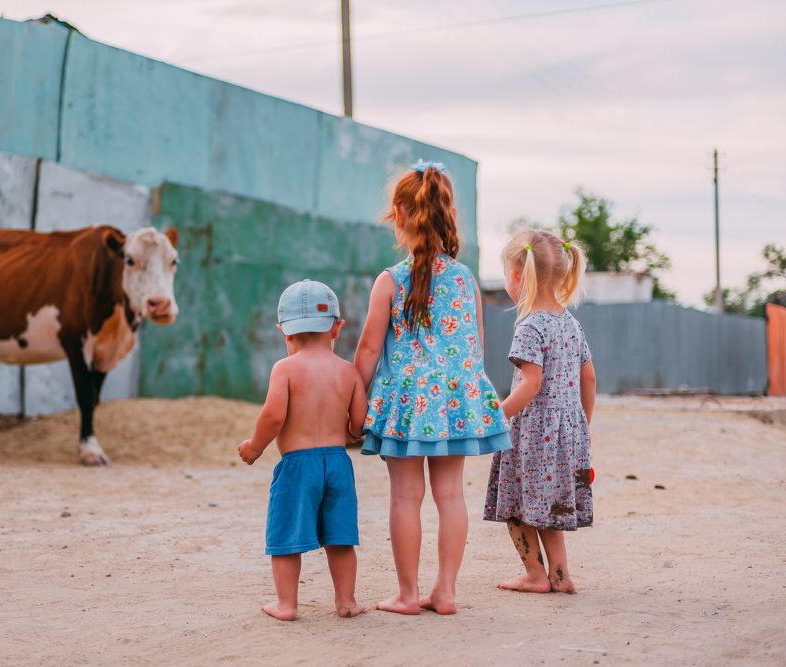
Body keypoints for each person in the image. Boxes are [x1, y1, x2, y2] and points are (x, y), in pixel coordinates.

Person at [354, 160, 511, 615]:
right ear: (448, 215)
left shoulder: (390, 280)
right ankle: (445, 592)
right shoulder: (465, 280)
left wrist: (353, 402)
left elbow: (368, 349)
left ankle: (407, 594)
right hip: (454, 401)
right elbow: (475, 346)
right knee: (451, 495)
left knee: (406, 497)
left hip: (406, 405)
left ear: (399, 215)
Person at [238, 279, 368, 621]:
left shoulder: (285, 369)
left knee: (285, 535)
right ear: (337, 328)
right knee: (340, 537)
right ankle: (346, 601)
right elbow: (359, 424)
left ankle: (286, 604)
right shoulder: (349, 372)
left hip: (297, 466)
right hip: (338, 463)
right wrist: (347, 430)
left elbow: (273, 415)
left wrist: (254, 446)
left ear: (284, 331)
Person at [483, 229, 597, 594]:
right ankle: (560, 576)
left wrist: (496, 416)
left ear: (518, 276)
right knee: (548, 504)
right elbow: (589, 378)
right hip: (567, 431)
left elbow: (531, 384)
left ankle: (534, 574)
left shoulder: (529, 327)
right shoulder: (571, 324)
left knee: (515, 505)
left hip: (532, 434)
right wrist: (583, 426)